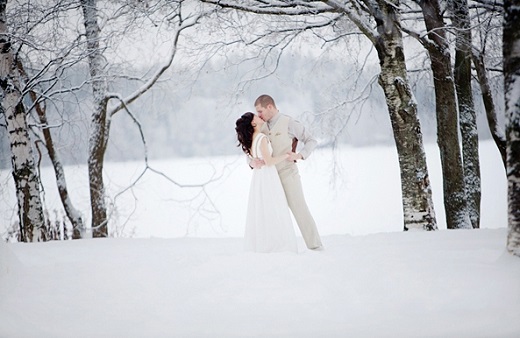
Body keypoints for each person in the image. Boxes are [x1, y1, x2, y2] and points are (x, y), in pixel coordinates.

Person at [251, 94, 323, 250]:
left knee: (299, 209)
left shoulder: (289, 123)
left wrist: (300, 155)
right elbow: (249, 149)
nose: (258, 115)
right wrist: (251, 162)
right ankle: (278, 249)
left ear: (270, 106)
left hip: (287, 173)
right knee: (272, 214)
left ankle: (316, 247)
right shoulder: (260, 126)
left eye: (260, 111)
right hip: (268, 178)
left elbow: (311, 140)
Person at [235, 112, 298, 253]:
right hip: (268, 175)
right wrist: (286, 155)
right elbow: (269, 162)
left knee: (262, 207)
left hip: (259, 176)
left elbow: (259, 160)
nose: (260, 117)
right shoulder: (262, 138)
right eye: (256, 117)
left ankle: (265, 242)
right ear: (253, 123)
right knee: (274, 206)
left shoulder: (251, 138)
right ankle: (276, 244)